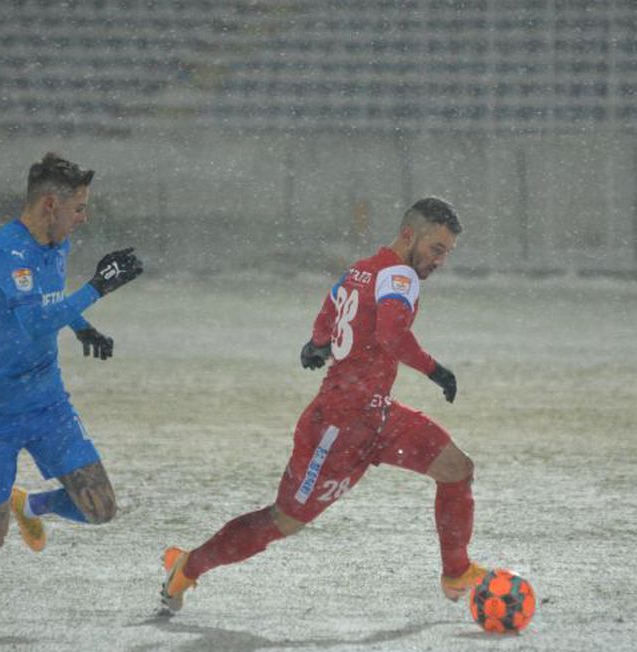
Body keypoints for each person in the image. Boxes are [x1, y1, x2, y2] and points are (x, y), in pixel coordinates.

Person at [160, 196, 484, 613]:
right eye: (436, 249)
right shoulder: (400, 276)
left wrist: (317, 342)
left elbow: (332, 305)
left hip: (378, 414)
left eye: (447, 253)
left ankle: (456, 574)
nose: (440, 260)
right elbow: (391, 336)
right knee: (284, 520)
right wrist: (436, 370)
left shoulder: (361, 271)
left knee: (456, 468)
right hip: (337, 425)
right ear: (409, 235)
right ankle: (188, 566)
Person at [0, 152, 144, 620]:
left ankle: (29, 504)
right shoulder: (5, 253)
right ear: (51, 204)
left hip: (46, 401)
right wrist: (98, 287)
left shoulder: (57, 246)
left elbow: (50, 304)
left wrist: (81, 326)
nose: (83, 217)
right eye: (79, 208)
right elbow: (32, 321)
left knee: (101, 507)